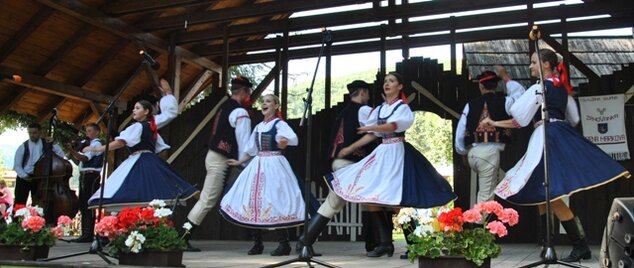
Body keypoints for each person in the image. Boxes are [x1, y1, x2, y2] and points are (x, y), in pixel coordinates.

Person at [481, 49, 631, 262]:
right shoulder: (563, 89)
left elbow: (519, 119)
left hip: (545, 137)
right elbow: (575, 117)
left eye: (533, 63)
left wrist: (494, 122)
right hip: (559, 134)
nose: (530, 67)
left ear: (546, 65)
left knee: (549, 194)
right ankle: (547, 242)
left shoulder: (539, 87)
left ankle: (579, 245)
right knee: (544, 192)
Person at [297, 72, 457, 258]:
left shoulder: (402, 108)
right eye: (385, 81)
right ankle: (385, 245)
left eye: (391, 81)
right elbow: (372, 134)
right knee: (374, 197)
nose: (387, 84)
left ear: (400, 86)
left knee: (398, 197)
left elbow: (392, 127)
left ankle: (415, 244)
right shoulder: (380, 109)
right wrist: (350, 148)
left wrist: (371, 128)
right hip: (382, 153)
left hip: (398, 153)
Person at [220, 94, 304, 256]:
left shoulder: (279, 124)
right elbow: (251, 149)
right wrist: (239, 162)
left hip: (274, 164)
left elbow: (294, 138)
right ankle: (257, 243)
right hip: (258, 164)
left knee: (275, 200)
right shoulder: (258, 127)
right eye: (263, 102)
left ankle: (284, 244)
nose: (264, 104)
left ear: (276, 105)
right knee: (253, 202)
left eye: (268, 101)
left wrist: (283, 141)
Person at [181, 76, 253, 251]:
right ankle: (182, 237)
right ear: (244, 92)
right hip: (222, 160)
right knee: (207, 200)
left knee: (215, 198)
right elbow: (244, 142)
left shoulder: (225, 107)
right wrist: (246, 164)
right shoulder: (240, 112)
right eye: (249, 92)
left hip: (216, 156)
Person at [84, 99, 199, 210]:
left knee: (125, 190)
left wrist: (97, 149)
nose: (134, 110)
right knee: (150, 192)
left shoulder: (137, 126)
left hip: (139, 160)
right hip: (151, 161)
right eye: (134, 108)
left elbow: (120, 142)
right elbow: (160, 147)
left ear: (146, 111)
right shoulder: (151, 128)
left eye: (137, 108)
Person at [455, 71, 522, 208]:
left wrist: (462, 151)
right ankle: (481, 227)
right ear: (496, 86)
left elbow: (460, 130)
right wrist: (507, 79)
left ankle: (480, 224)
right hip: (489, 153)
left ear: (481, 86)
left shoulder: (470, 105)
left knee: (481, 191)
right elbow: (520, 97)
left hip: (473, 153)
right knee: (486, 196)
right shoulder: (506, 102)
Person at [66, 123, 104, 243]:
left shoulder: (96, 144)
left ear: (97, 132)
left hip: (91, 176)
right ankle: (85, 233)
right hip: (85, 175)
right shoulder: (88, 145)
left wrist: (72, 151)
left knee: (88, 204)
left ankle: (88, 234)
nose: (87, 133)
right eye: (86, 131)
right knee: (83, 204)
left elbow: (85, 158)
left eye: (90, 131)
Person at [13, 123, 65, 207]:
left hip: (40, 178)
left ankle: (37, 220)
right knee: (19, 202)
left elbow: (61, 155)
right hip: (24, 178)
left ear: (40, 133)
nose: (32, 135)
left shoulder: (46, 144)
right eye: (30, 133)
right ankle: (16, 220)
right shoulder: (23, 146)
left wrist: (53, 143)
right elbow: (17, 165)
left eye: (34, 133)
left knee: (38, 204)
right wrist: (25, 176)